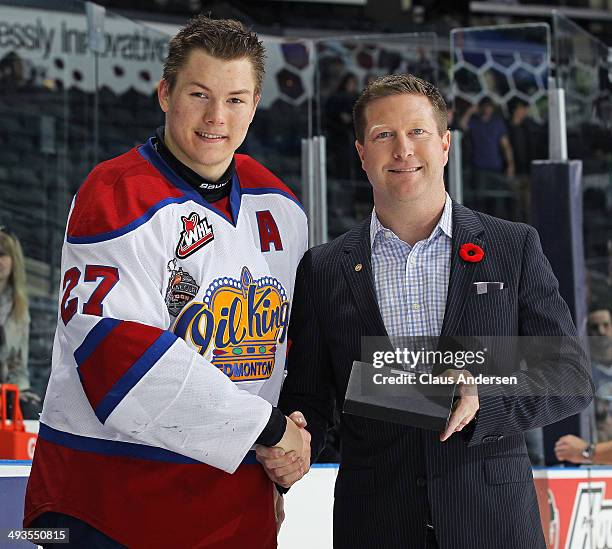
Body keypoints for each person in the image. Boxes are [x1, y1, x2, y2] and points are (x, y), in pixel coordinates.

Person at [257, 74, 593, 549]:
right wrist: (290, 448)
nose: (402, 149)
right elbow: (311, 397)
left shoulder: (512, 246)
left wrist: (485, 388)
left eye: (416, 131)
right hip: (375, 526)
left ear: (445, 144)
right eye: (383, 135)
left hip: (494, 525)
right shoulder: (324, 266)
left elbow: (570, 373)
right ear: (361, 153)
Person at [24, 16, 309, 549]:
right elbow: (121, 364)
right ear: (164, 93)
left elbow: (280, 353)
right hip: (107, 504)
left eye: (236, 99)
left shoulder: (280, 205)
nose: (216, 117)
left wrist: (282, 454)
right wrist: (269, 432)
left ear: (255, 104)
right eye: (199, 94)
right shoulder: (115, 194)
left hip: (231, 505)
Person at [555, 304, 612, 464]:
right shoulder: (583, 372)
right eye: (595, 327)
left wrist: (586, 451)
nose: (601, 332)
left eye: (606, 325)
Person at [0, 227, 41, 419]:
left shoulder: (19, 307)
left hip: (5, 387)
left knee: (31, 410)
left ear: (13, 260)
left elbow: (18, 364)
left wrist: (19, 391)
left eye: (3, 254)